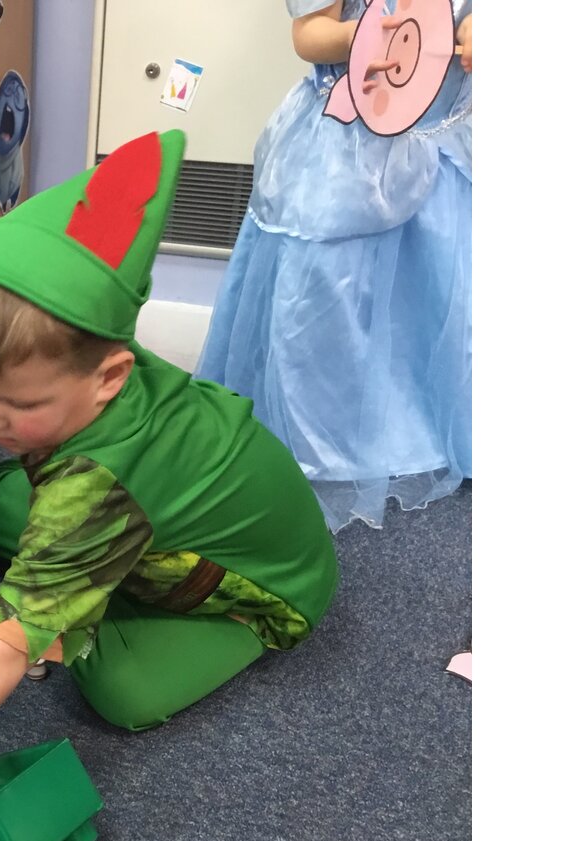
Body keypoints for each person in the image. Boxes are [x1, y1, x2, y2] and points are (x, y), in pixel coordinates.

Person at [0, 131, 338, 841]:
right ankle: (81, 577)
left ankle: (123, 604)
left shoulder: (95, 486)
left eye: (17, 403)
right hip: (150, 509)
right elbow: (5, 394)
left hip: (254, 587)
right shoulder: (89, 354)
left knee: (120, 691)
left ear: (109, 378)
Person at [195, 0, 474, 530]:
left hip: (443, 141)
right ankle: (329, 434)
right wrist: (357, 39)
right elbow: (309, 33)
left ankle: (422, 422)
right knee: (329, 289)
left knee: (436, 287)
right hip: (351, 149)